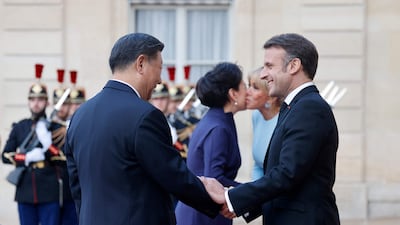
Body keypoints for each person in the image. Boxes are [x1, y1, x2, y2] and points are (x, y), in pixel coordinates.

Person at [64, 32, 223, 225]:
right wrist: (221, 200)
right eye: (159, 68)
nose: (159, 81)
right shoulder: (146, 115)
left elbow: (77, 187)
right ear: (140, 64)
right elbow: (172, 174)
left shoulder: (81, 115)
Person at [217, 33, 340, 225]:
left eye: (269, 66)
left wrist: (233, 198)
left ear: (294, 66)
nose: (264, 74)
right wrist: (244, 203)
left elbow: (287, 174)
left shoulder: (309, 108)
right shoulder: (295, 106)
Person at [175, 62, 247, 225]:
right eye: (244, 86)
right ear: (233, 94)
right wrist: (252, 191)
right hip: (202, 216)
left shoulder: (219, 119)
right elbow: (215, 177)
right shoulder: (218, 127)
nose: (248, 91)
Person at [2, 64, 68, 225]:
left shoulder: (56, 128)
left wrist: (47, 146)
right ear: (28, 102)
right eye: (32, 99)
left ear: (47, 102)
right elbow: (5, 155)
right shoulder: (20, 127)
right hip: (25, 189)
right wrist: (26, 157)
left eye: (40, 99)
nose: (36, 103)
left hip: (49, 189)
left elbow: (63, 158)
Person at [246, 67, 281, 180]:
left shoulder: (283, 120)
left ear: (271, 97)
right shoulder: (257, 116)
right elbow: (258, 165)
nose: (247, 92)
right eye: (249, 86)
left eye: (255, 88)